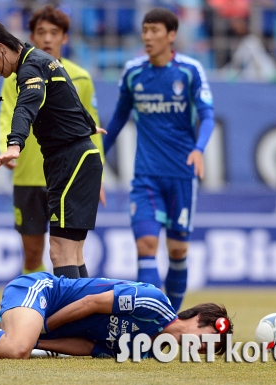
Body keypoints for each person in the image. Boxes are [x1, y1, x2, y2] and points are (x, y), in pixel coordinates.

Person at [0, 19, 105, 280]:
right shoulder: (43, 60)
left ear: (1, 49)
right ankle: (86, 316)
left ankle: (73, 318)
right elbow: (68, 95)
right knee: (73, 253)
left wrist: (15, 143)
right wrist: (88, 124)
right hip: (79, 157)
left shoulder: (30, 69)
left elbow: (26, 105)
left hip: (70, 160)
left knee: (60, 252)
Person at [103, 8, 216, 312]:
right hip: (146, 176)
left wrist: (199, 148)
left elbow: (207, 116)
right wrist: (96, 158)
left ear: (172, 35)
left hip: (181, 174)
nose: (148, 37)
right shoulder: (134, 73)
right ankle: (154, 322)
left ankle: (172, 318)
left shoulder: (190, 71)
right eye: (145, 30)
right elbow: (117, 119)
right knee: (146, 246)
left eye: (155, 31)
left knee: (178, 250)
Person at [0, 272, 232, 360]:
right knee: (16, 349)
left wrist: (45, 339)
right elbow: (93, 304)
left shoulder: (145, 349)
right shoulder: (156, 304)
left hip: (33, 321)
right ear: (196, 319)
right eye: (203, 344)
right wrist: (44, 327)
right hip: (41, 292)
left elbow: (86, 347)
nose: (195, 350)